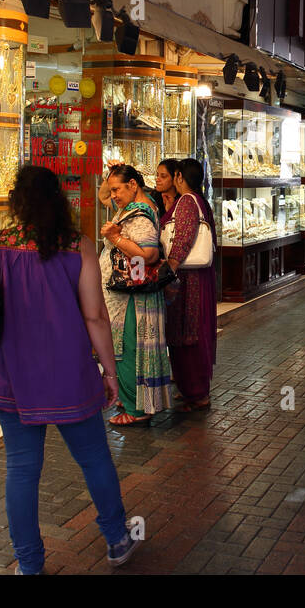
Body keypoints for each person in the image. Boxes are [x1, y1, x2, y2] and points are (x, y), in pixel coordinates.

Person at [0, 165, 137, 572]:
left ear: (18, 201)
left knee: (21, 469)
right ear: (59, 200)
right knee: (94, 459)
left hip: (14, 376)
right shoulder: (79, 246)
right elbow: (96, 317)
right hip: (71, 373)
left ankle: (30, 565)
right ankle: (118, 539)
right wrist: (110, 371)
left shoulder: (0, 244)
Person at [99, 165, 171, 426]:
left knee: (126, 351)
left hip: (130, 297)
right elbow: (103, 196)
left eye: (117, 189)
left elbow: (148, 255)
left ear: (133, 185)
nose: (113, 195)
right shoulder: (133, 204)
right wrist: (110, 171)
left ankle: (135, 410)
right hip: (126, 295)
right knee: (125, 348)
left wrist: (115, 238)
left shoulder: (139, 215)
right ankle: (132, 400)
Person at [160, 158, 218, 411]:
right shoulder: (199, 201)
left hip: (188, 278)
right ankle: (192, 389)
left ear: (180, 177)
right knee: (190, 332)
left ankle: (197, 393)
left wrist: (169, 267)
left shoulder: (187, 201)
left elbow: (182, 237)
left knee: (189, 332)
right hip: (196, 276)